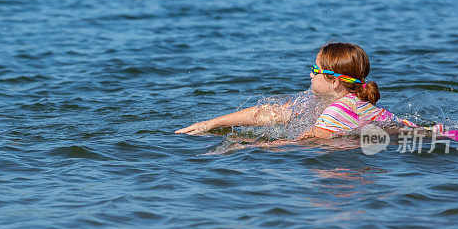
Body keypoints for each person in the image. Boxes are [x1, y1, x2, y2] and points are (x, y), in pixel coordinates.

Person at [175, 42, 415, 139]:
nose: (310, 73)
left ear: (333, 82)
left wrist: (244, 149)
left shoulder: (339, 110)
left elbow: (302, 142)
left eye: (315, 69)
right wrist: (212, 124)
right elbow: (271, 113)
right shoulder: (328, 100)